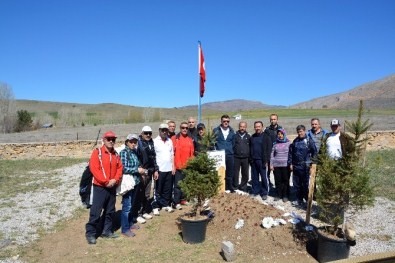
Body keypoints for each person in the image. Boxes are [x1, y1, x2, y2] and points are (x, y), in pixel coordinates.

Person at [85, 131, 123, 245]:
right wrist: (106, 181)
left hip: (111, 186)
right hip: (100, 187)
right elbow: (94, 169)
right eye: (109, 139)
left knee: (110, 210)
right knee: (96, 211)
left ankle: (107, 231)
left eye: (113, 139)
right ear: (104, 140)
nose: (111, 141)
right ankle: (91, 233)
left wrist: (115, 180)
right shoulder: (97, 153)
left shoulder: (115, 154)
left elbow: (119, 168)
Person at [119, 134, 145, 237]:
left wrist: (140, 171)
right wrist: (137, 170)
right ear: (127, 142)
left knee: (132, 204)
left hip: (135, 182)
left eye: (135, 142)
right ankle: (125, 229)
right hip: (128, 184)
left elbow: (137, 164)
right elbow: (123, 168)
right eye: (131, 142)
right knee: (127, 206)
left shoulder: (133, 152)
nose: (133, 143)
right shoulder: (124, 153)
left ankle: (130, 224)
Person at [288, 125, 317, 207]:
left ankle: (307, 200)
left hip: (305, 166)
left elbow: (314, 153)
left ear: (304, 131)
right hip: (296, 166)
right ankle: (299, 199)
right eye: (298, 131)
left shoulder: (309, 141)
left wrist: (312, 165)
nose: (299, 133)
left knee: (305, 184)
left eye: (301, 131)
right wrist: (290, 163)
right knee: (296, 184)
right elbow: (291, 153)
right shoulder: (295, 141)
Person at [135, 126, 158, 224]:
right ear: (142, 133)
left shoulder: (151, 142)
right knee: (140, 194)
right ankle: (138, 214)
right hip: (142, 172)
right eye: (146, 133)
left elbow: (154, 158)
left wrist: (155, 170)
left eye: (150, 133)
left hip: (150, 171)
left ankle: (144, 211)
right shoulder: (138, 143)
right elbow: (136, 158)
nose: (148, 135)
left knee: (147, 194)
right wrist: (141, 170)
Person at [152, 123, 175, 215]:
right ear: (159, 130)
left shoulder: (170, 140)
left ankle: (166, 204)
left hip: (169, 169)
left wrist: (173, 166)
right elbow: (153, 157)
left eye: (166, 130)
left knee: (167, 188)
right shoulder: (155, 141)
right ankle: (156, 206)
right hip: (159, 170)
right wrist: (155, 170)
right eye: (162, 130)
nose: (164, 132)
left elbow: (172, 154)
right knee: (158, 189)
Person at [171, 121, 194, 210]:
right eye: (183, 128)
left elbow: (191, 153)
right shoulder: (175, 138)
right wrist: (173, 165)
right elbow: (171, 153)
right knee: (177, 185)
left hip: (187, 166)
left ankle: (183, 199)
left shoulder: (189, 139)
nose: (184, 129)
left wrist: (192, 164)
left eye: (186, 128)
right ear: (180, 129)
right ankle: (176, 202)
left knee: (185, 184)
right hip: (178, 166)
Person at [213, 114, 236, 192]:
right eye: (224, 121)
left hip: (230, 154)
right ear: (221, 121)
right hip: (220, 155)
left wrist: (229, 149)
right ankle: (219, 187)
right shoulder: (216, 130)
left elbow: (233, 143)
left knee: (230, 171)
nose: (226, 122)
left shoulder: (232, 131)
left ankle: (229, 187)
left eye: (227, 121)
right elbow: (213, 142)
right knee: (219, 171)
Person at [250, 121, 271, 200]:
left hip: (262, 161)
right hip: (254, 160)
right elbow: (250, 148)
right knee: (254, 177)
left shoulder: (266, 137)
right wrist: (250, 159)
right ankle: (255, 191)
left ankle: (264, 192)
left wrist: (266, 161)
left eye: (259, 126)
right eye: (256, 127)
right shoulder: (252, 137)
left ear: (262, 127)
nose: (257, 128)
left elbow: (269, 150)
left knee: (264, 177)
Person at [270, 129, 291, 202]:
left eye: (281, 134)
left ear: (284, 134)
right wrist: (271, 164)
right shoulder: (275, 143)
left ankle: (285, 195)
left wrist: (291, 164)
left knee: (285, 180)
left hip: (286, 165)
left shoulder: (288, 143)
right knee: (278, 180)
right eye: (279, 134)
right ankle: (278, 194)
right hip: (276, 165)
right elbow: (272, 155)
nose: (280, 135)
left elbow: (291, 154)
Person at [264, 114, 283, 189]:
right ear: (270, 120)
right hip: (269, 153)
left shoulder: (281, 129)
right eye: (271, 119)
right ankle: (267, 186)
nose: (273, 121)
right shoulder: (267, 130)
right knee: (267, 172)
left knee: (277, 173)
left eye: (274, 119)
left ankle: (278, 188)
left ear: (277, 120)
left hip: (277, 154)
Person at [233, 121, 251, 192]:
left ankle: (243, 187)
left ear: (246, 127)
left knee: (245, 173)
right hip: (236, 157)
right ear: (239, 127)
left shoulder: (249, 136)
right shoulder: (235, 135)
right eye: (241, 126)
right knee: (235, 173)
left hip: (246, 158)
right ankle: (235, 186)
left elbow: (251, 146)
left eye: (244, 127)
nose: (242, 128)